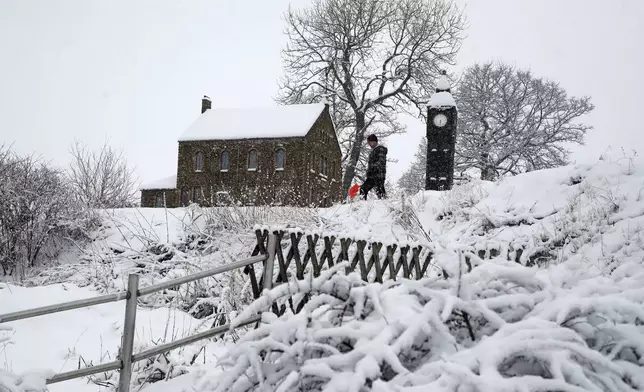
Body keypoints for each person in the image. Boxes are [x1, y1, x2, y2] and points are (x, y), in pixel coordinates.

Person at [360, 134, 387, 200]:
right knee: (363, 189)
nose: (369, 144)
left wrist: (373, 168)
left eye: (370, 142)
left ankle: (385, 207)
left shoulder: (380, 149)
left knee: (380, 192)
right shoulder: (373, 151)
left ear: (374, 141)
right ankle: (362, 206)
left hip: (379, 175)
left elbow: (381, 162)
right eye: (368, 143)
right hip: (372, 176)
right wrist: (368, 171)